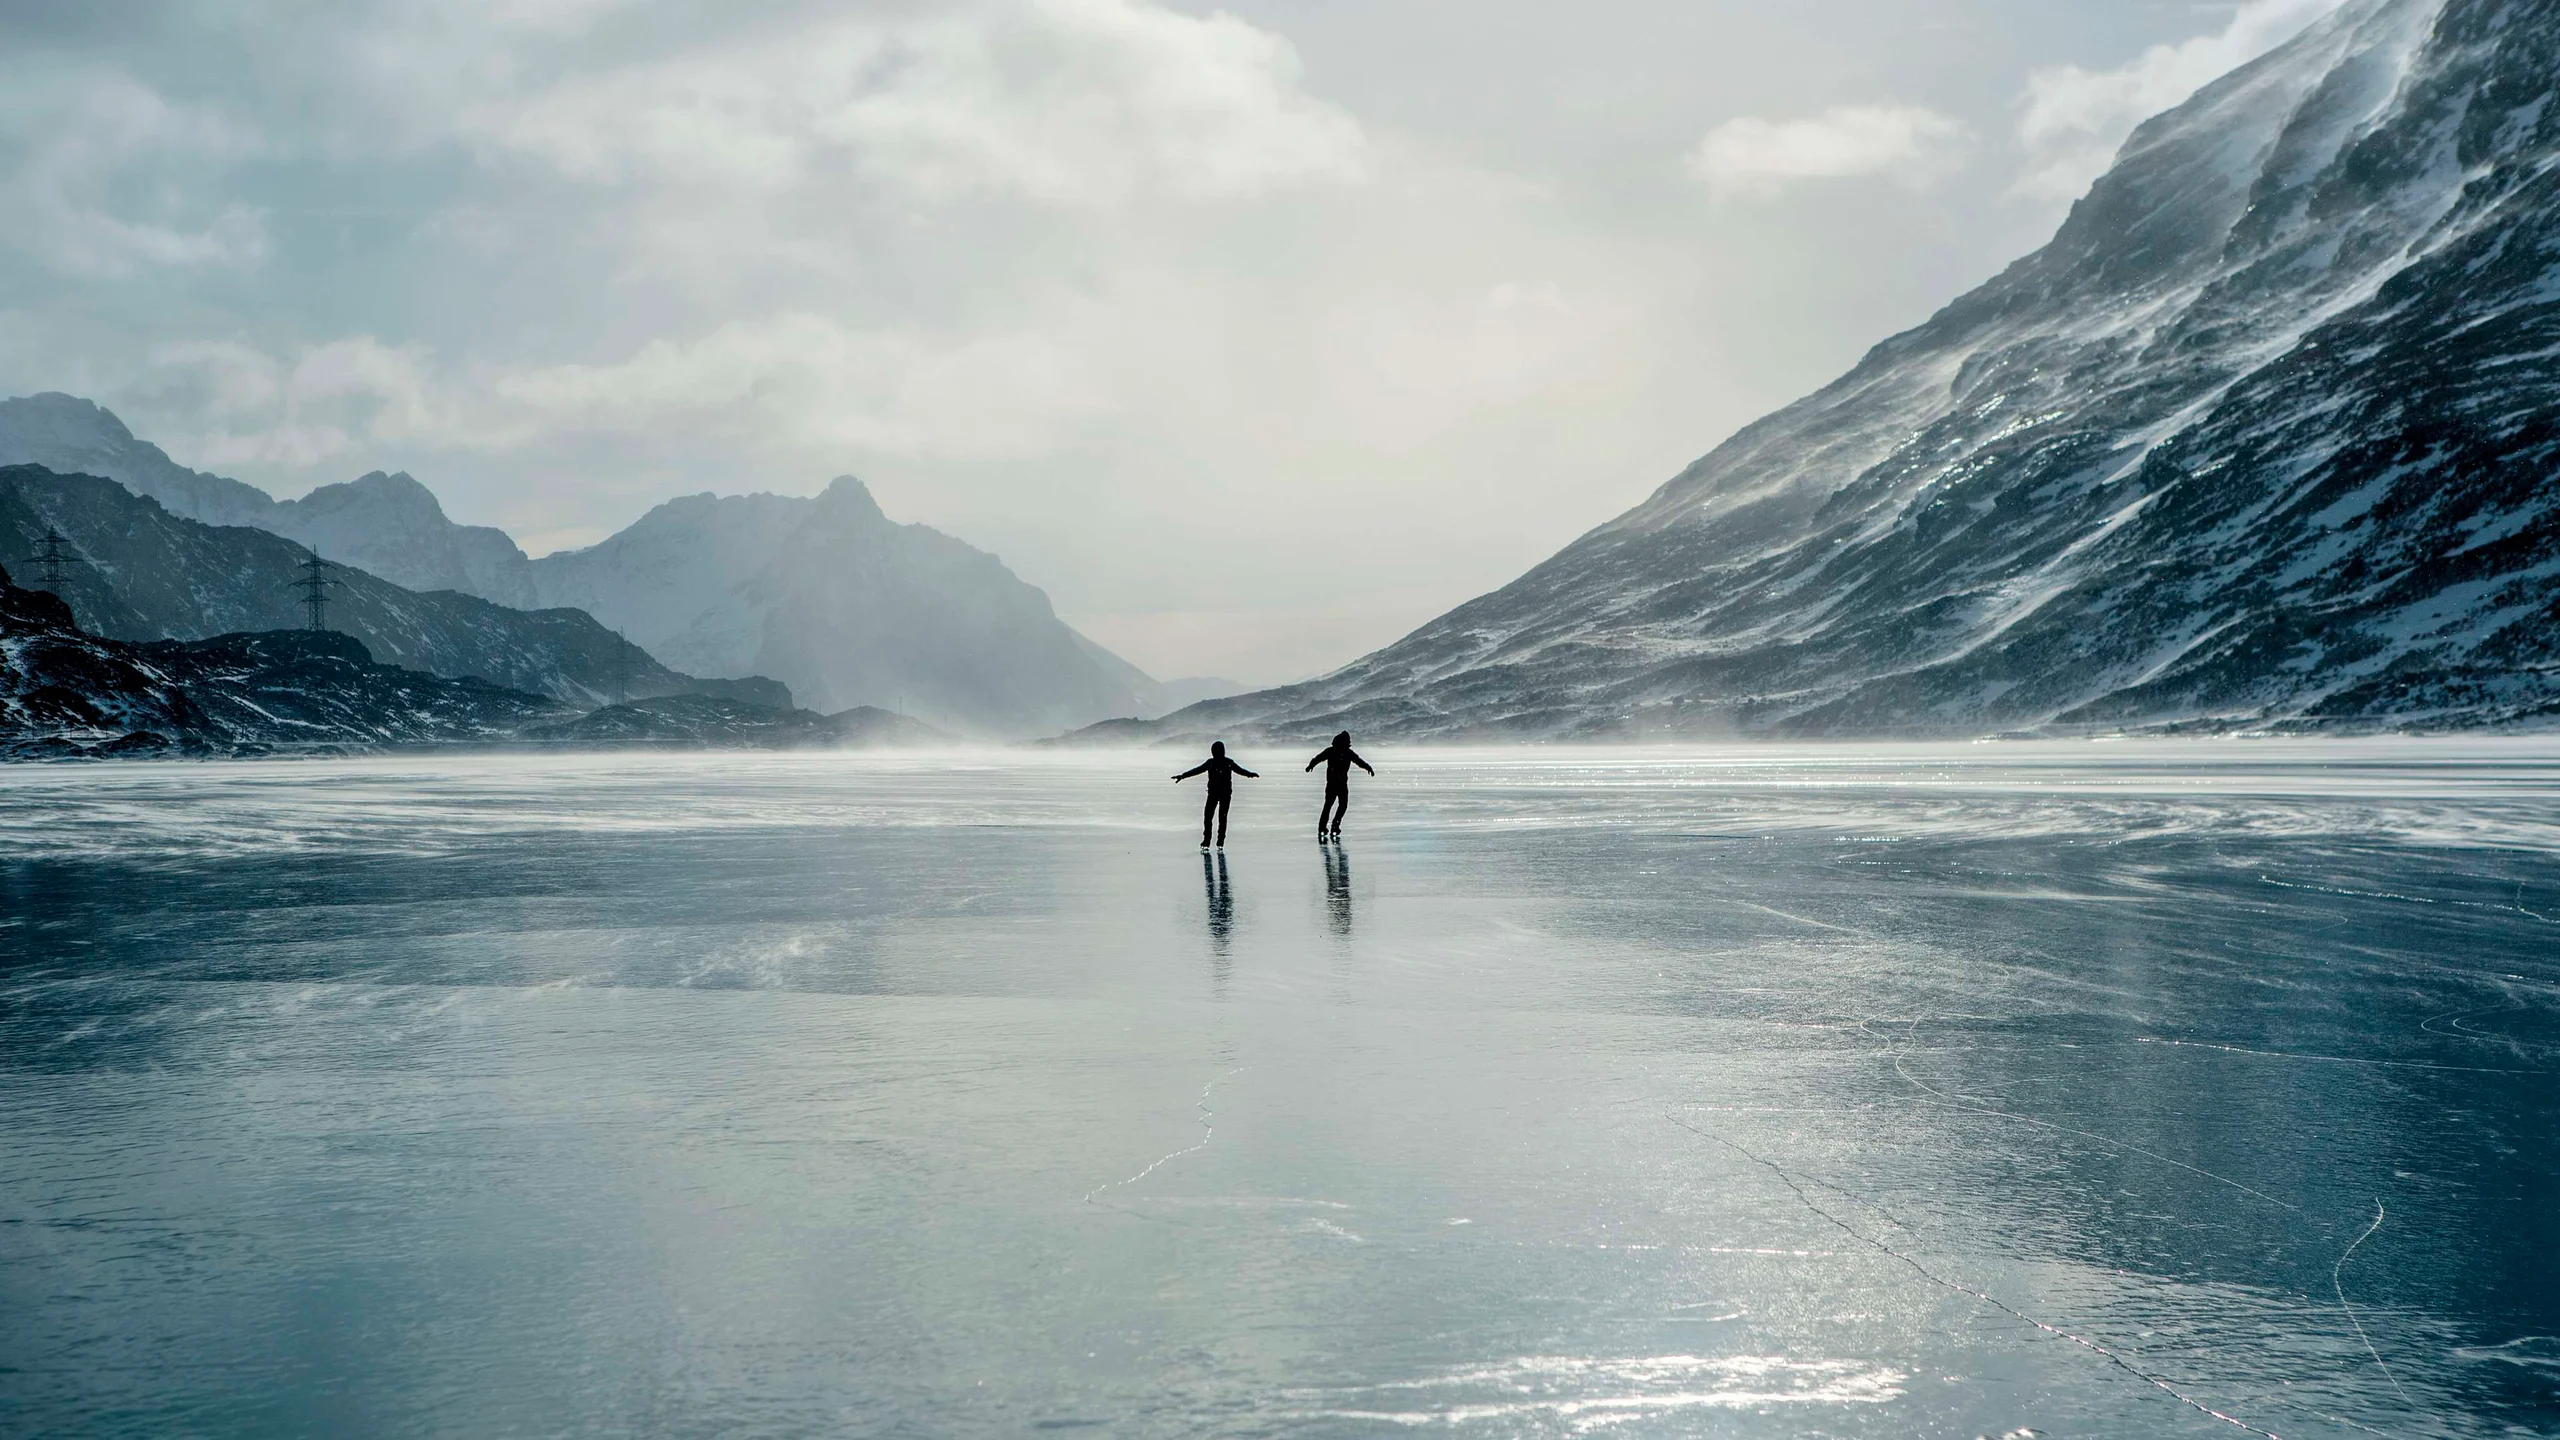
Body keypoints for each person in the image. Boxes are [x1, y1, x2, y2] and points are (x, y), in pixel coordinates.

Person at [1173, 741, 1259, 848]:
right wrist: (1250, 774)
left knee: (1210, 818)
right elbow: (1240, 770)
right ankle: (1218, 842)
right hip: (1223, 794)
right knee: (1220, 818)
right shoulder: (1225, 762)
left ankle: (1208, 842)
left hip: (1216, 794)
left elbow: (1197, 770)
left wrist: (1182, 776)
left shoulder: (1213, 763)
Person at [1304, 730, 1374, 842]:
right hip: (1334, 784)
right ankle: (1327, 827)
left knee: (1338, 805)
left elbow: (1359, 761)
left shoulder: (1345, 752)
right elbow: (1318, 758)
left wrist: (1368, 767)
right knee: (1331, 806)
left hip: (1339, 784)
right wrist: (1310, 765)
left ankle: (1331, 826)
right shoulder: (1335, 751)